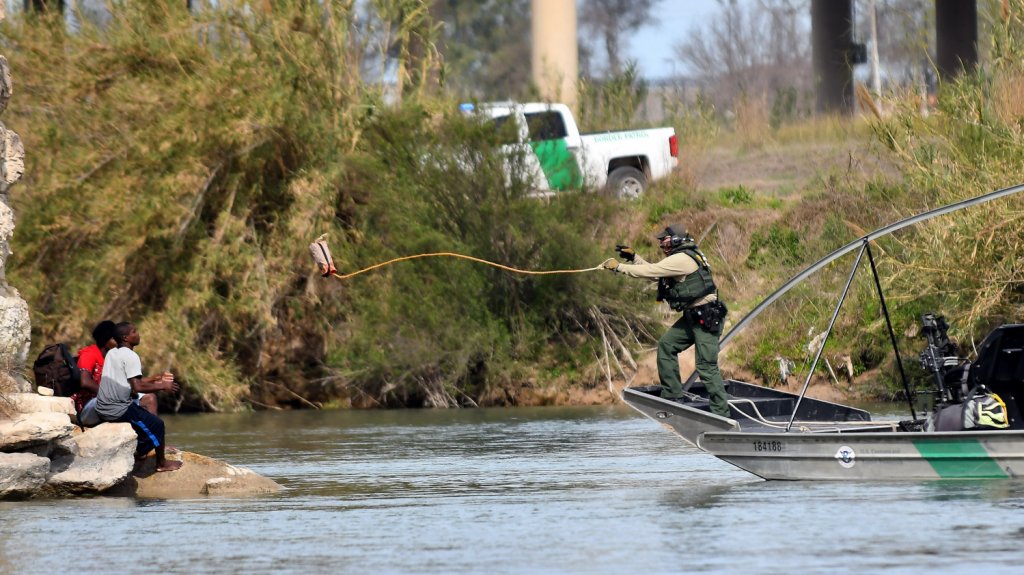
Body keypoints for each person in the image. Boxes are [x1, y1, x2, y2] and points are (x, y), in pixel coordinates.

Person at [602, 224, 731, 417]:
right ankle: (673, 395)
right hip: (694, 317)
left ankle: (722, 413)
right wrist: (635, 258)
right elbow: (658, 275)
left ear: (677, 239)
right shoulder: (681, 258)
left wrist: (619, 267)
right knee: (667, 345)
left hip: (706, 318)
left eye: (665, 239)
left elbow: (652, 272)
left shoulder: (681, 259)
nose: (661, 242)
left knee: (706, 366)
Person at [95, 322, 183, 472]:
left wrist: (156, 381)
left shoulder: (112, 353)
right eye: (134, 331)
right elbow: (137, 386)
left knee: (146, 420)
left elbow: (127, 385)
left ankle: (141, 453)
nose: (138, 334)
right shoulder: (131, 356)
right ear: (125, 338)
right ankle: (160, 463)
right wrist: (163, 386)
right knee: (157, 425)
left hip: (102, 406)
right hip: (116, 409)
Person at [75, 320, 160, 427]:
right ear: (106, 340)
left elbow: (128, 383)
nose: (118, 341)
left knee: (149, 399)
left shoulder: (113, 355)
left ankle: (154, 438)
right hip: (90, 405)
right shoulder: (89, 355)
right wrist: (109, 396)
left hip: (110, 402)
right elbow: (85, 382)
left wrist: (154, 380)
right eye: (114, 339)